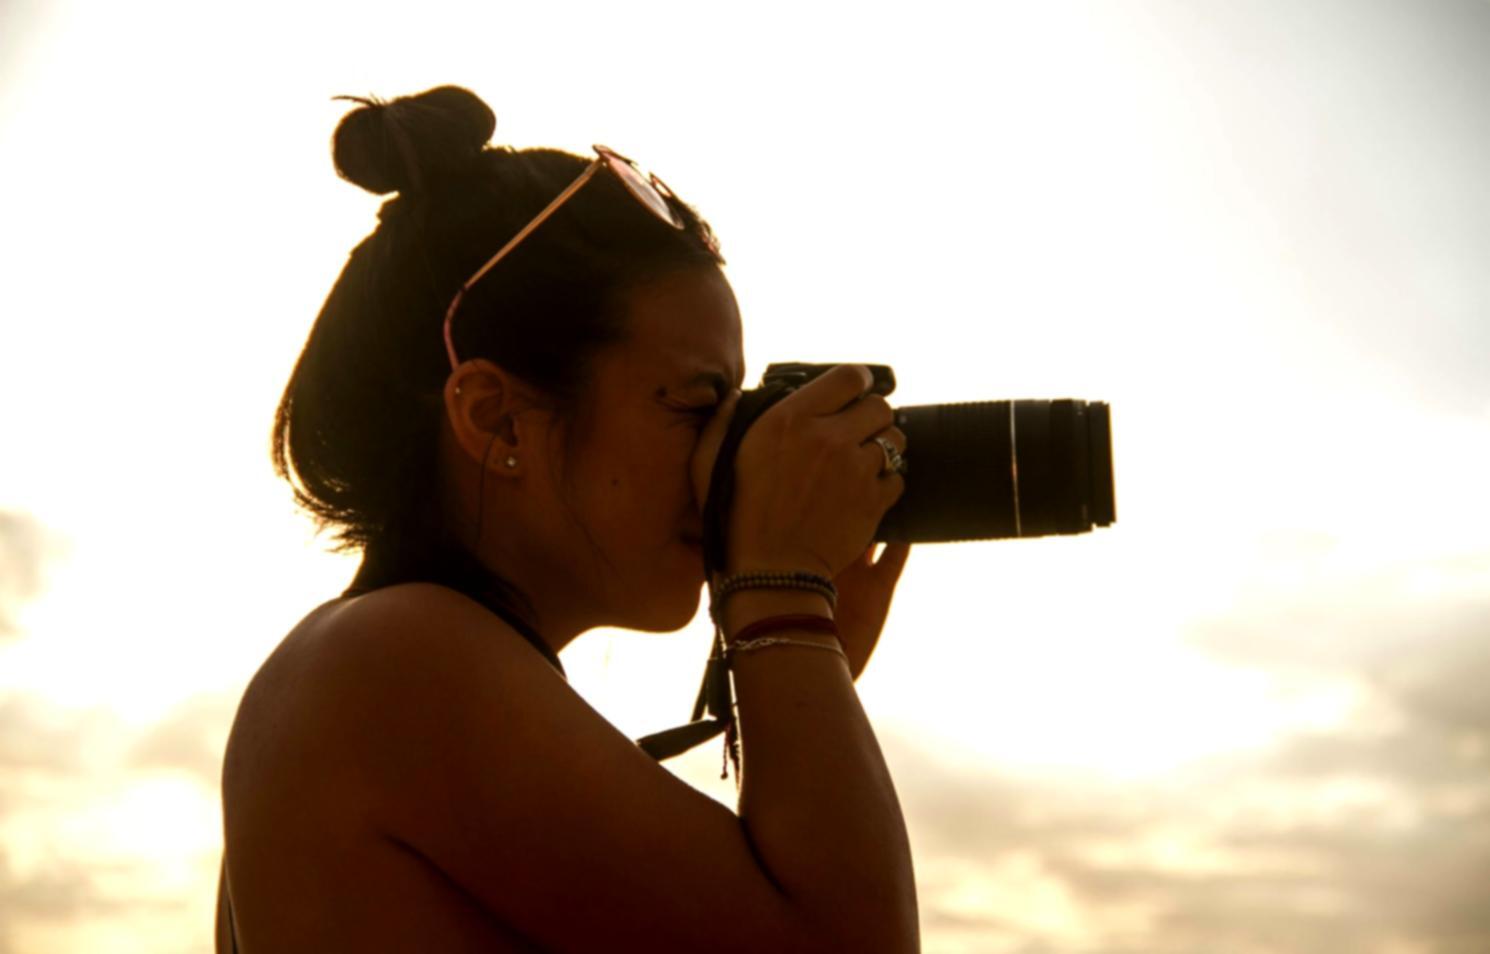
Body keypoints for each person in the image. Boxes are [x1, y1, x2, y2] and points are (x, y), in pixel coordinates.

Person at [217, 84, 917, 953]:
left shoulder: (367, 659)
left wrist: (796, 677)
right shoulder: (396, 660)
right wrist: (782, 607)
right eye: (698, 406)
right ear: (495, 418)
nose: (728, 457)